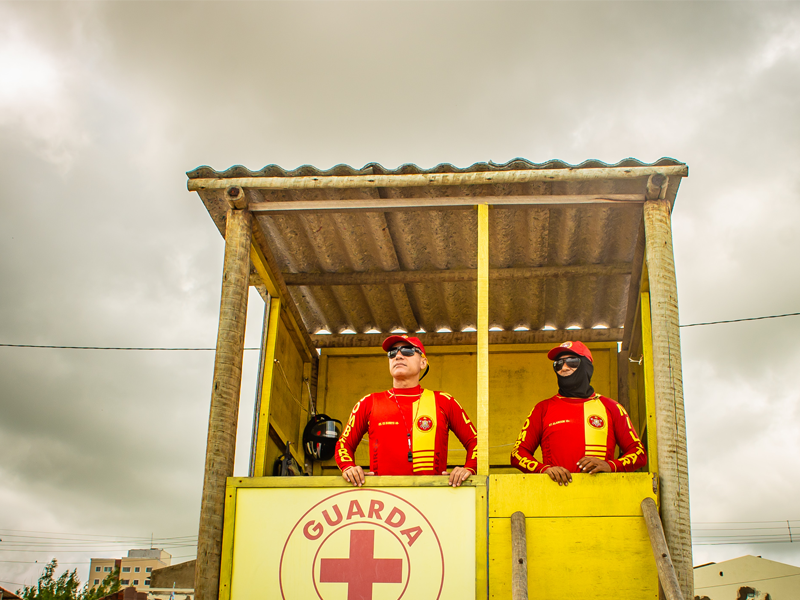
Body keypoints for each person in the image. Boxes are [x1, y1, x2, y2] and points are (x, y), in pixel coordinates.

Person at [335, 334, 478, 488]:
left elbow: (476, 443)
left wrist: (468, 469)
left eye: (408, 351)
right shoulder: (368, 402)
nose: (398, 355)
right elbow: (344, 444)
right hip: (383, 499)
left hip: (433, 498)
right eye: (392, 353)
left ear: (423, 362)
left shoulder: (444, 401)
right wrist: (349, 467)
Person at [510, 341, 646, 485]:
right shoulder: (542, 408)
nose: (564, 367)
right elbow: (517, 454)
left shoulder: (611, 407)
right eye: (558, 364)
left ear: (586, 366)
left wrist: (611, 466)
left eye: (572, 361)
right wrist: (543, 469)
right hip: (554, 498)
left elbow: (639, 454)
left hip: (603, 497)